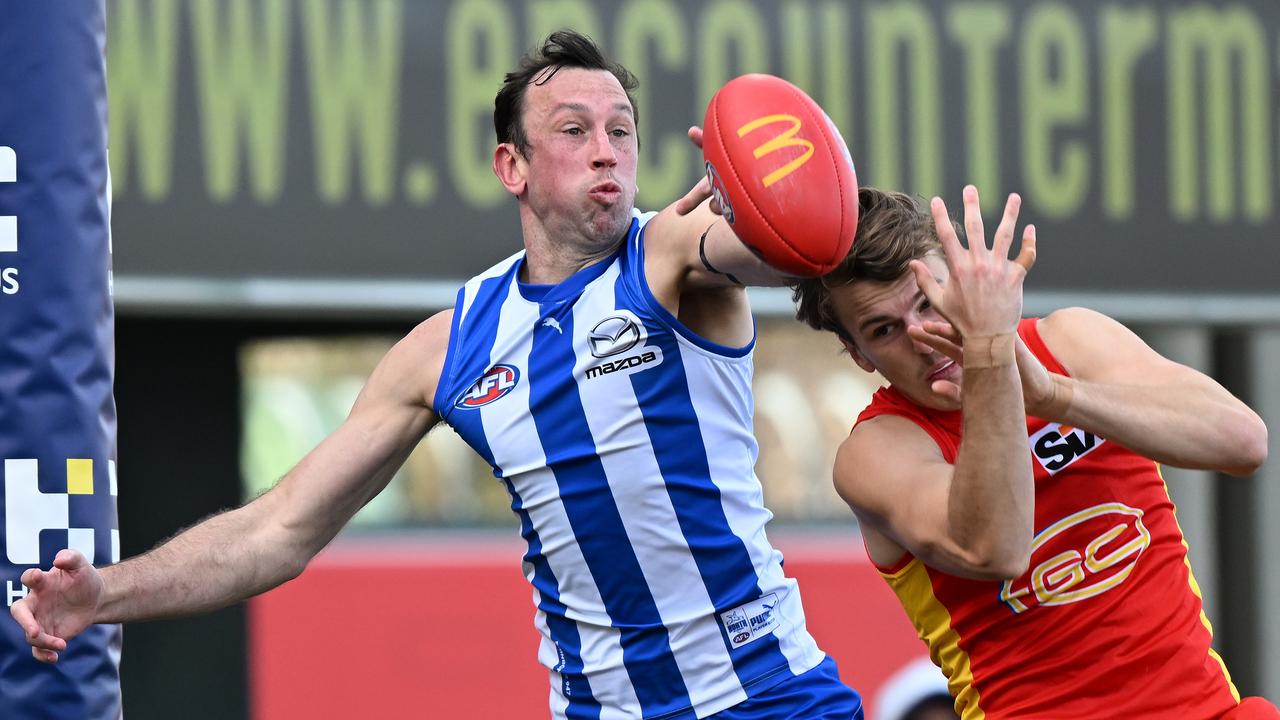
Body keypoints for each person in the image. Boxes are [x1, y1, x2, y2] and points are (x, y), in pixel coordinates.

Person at [11, 31, 864, 719]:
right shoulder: (450, 345)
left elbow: (782, 242)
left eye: (621, 130)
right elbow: (278, 530)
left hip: (766, 699)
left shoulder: (671, 254)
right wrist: (102, 597)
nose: (606, 151)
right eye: (574, 130)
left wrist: (762, 195)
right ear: (512, 168)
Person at [792, 185, 1277, 719]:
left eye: (931, 300)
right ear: (860, 357)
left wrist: (1054, 395)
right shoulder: (877, 450)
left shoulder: (1071, 340)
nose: (923, 337)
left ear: (967, 280)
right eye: (884, 330)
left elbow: (1244, 441)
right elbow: (997, 550)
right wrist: (990, 360)